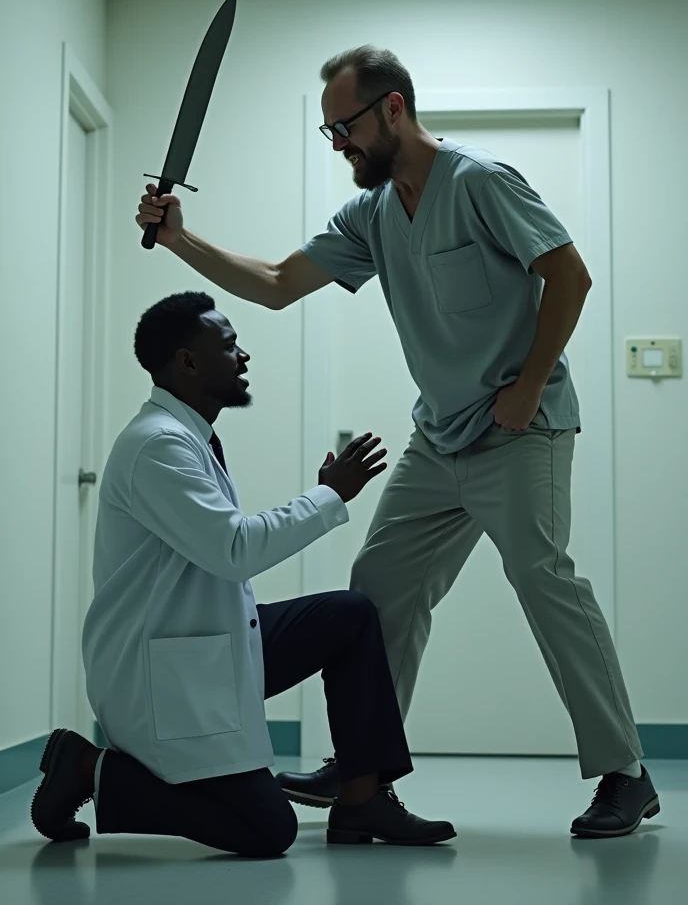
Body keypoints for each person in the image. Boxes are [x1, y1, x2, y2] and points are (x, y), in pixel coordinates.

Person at [133, 47, 660, 840]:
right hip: (439, 438)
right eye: (327, 132)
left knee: (544, 581)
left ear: (392, 109)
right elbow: (278, 283)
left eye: (343, 127)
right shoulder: (373, 214)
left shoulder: (481, 181)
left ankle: (626, 772)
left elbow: (570, 275)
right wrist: (180, 240)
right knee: (377, 589)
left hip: (522, 430)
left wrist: (526, 387)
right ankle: (364, 771)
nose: (338, 144)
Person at [31, 292, 456, 854]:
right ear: (187, 362)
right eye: (229, 346)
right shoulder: (158, 446)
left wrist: (325, 497)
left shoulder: (187, 438)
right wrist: (329, 495)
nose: (244, 356)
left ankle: (362, 799)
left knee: (350, 617)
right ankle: (87, 767)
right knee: (267, 830)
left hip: (203, 650)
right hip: (161, 680)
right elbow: (235, 548)